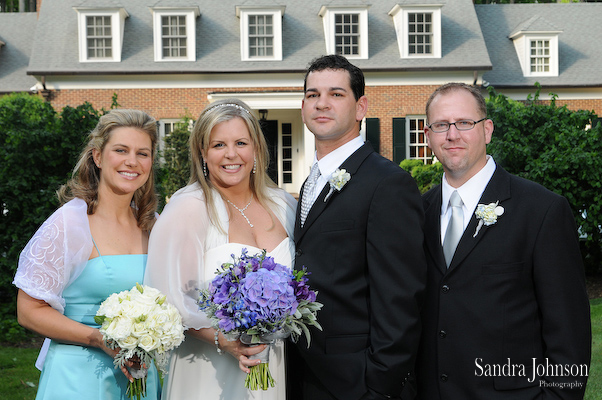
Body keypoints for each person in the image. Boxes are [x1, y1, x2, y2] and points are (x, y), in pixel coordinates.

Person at [416, 82, 591, 399]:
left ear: (487, 130)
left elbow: (569, 335)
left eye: (464, 123)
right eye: (441, 125)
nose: (452, 135)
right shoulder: (416, 214)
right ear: (428, 136)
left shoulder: (541, 211)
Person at [286, 54, 426, 400]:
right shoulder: (311, 183)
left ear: (361, 107)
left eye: (336, 94)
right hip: (303, 374)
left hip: (356, 383)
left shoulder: (388, 183)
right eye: (312, 94)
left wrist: (379, 386)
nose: (321, 103)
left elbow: (401, 299)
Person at [144, 98, 296, 400]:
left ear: (256, 149)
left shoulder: (284, 205)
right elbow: (167, 302)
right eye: (218, 145)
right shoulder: (188, 208)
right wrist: (223, 340)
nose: (231, 155)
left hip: (273, 364)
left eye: (241, 142)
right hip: (207, 369)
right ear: (202, 152)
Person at [13, 109, 162, 400]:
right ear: (97, 156)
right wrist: (98, 338)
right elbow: (28, 311)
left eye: (142, 153)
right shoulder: (69, 223)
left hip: (141, 376)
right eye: (121, 150)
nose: (132, 161)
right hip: (80, 377)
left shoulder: (153, 223)